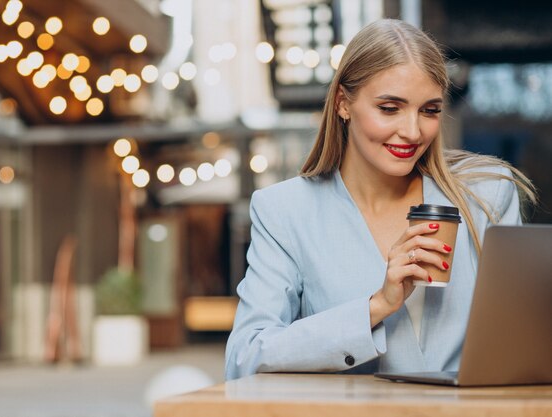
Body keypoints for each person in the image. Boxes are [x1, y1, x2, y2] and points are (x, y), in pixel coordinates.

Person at [225, 19, 537, 380]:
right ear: (343, 103)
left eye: (429, 110)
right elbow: (244, 358)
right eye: (390, 108)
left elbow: (520, 338)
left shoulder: (486, 194)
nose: (412, 131)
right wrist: (376, 307)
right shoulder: (285, 211)